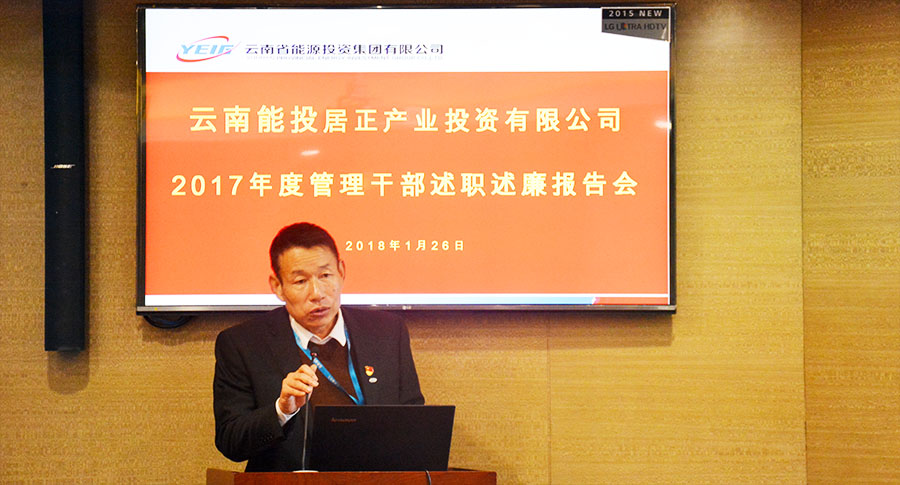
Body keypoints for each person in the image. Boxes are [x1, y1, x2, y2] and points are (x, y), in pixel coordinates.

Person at [213, 222, 424, 472]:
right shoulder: (243, 344)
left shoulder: (387, 332)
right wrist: (281, 410)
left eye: (325, 276)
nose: (317, 294)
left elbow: (415, 420)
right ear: (277, 286)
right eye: (300, 281)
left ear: (341, 272)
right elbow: (230, 440)